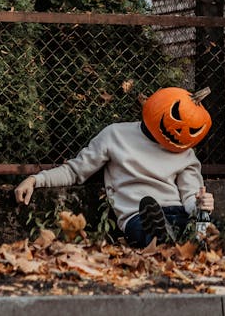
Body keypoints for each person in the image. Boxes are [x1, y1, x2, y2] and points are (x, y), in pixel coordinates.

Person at [15, 86, 214, 247]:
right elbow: (75, 171)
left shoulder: (184, 149)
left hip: (177, 211)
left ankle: (185, 239)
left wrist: (199, 204)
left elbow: (189, 196)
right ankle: (166, 238)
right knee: (148, 227)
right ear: (158, 105)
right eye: (176, 117)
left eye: (192, 129)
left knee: (198, 226)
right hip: (138, 215)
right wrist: (36, 179)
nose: (178, 131)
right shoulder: (115, 135)